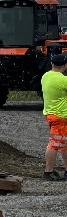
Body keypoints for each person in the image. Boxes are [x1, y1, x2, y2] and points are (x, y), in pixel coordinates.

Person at [41, 52, 67, 181]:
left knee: (63, 144)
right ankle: (48, 171)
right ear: (65, 65)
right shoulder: (63, 80)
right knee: (54, 144)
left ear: (52, 63)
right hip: (60, 116)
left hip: (50, 114)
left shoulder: (45, 76)